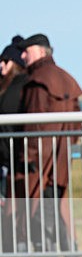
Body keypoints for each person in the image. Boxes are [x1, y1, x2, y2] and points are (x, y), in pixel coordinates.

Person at [13, 33, 82, 257]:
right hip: (60, 159)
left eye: (27, 50)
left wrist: (28, 159)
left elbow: (34, 128)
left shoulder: (37, 82)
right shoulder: (65, 78)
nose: (22, 55)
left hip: (38, 161)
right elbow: (76, 124)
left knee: (36, 211)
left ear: (41, 51)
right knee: (54, 208)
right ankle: (69, 255)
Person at [0, 36, 28, 204]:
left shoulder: (21, 86)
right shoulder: (4, 86)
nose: (1, 64)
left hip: (13, 158)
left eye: (6, 61)